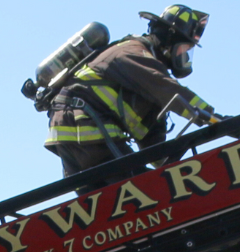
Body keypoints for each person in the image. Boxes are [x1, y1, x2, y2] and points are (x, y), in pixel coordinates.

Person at [44, 6, 221, 183]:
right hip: (85, 125)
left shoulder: (147, 87)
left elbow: (151, 141)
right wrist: (213, 118)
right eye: (184, 48)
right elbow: (166, 88)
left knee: (99, 203)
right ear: (169, 40)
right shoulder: (132, 52)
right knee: (139, 188)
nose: (185, 56)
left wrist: (171, 163)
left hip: (74, 132)